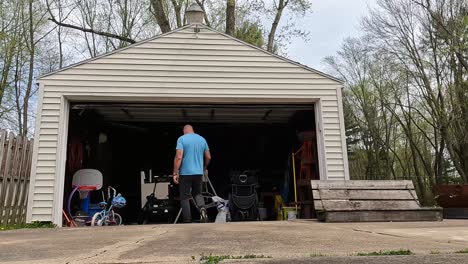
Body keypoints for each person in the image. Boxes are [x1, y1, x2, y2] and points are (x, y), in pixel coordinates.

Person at [173, 125, 211, 223]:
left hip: (185, 173)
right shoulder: (202, 139)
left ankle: (187, 220)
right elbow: (208, 157)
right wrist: (204, 167)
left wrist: (175, 172)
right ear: (193, 130)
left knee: (184, 197)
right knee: (198, 193)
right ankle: (202, 209)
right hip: (198, 173)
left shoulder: (181, 139)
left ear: (184, 131)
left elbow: (178, 157)